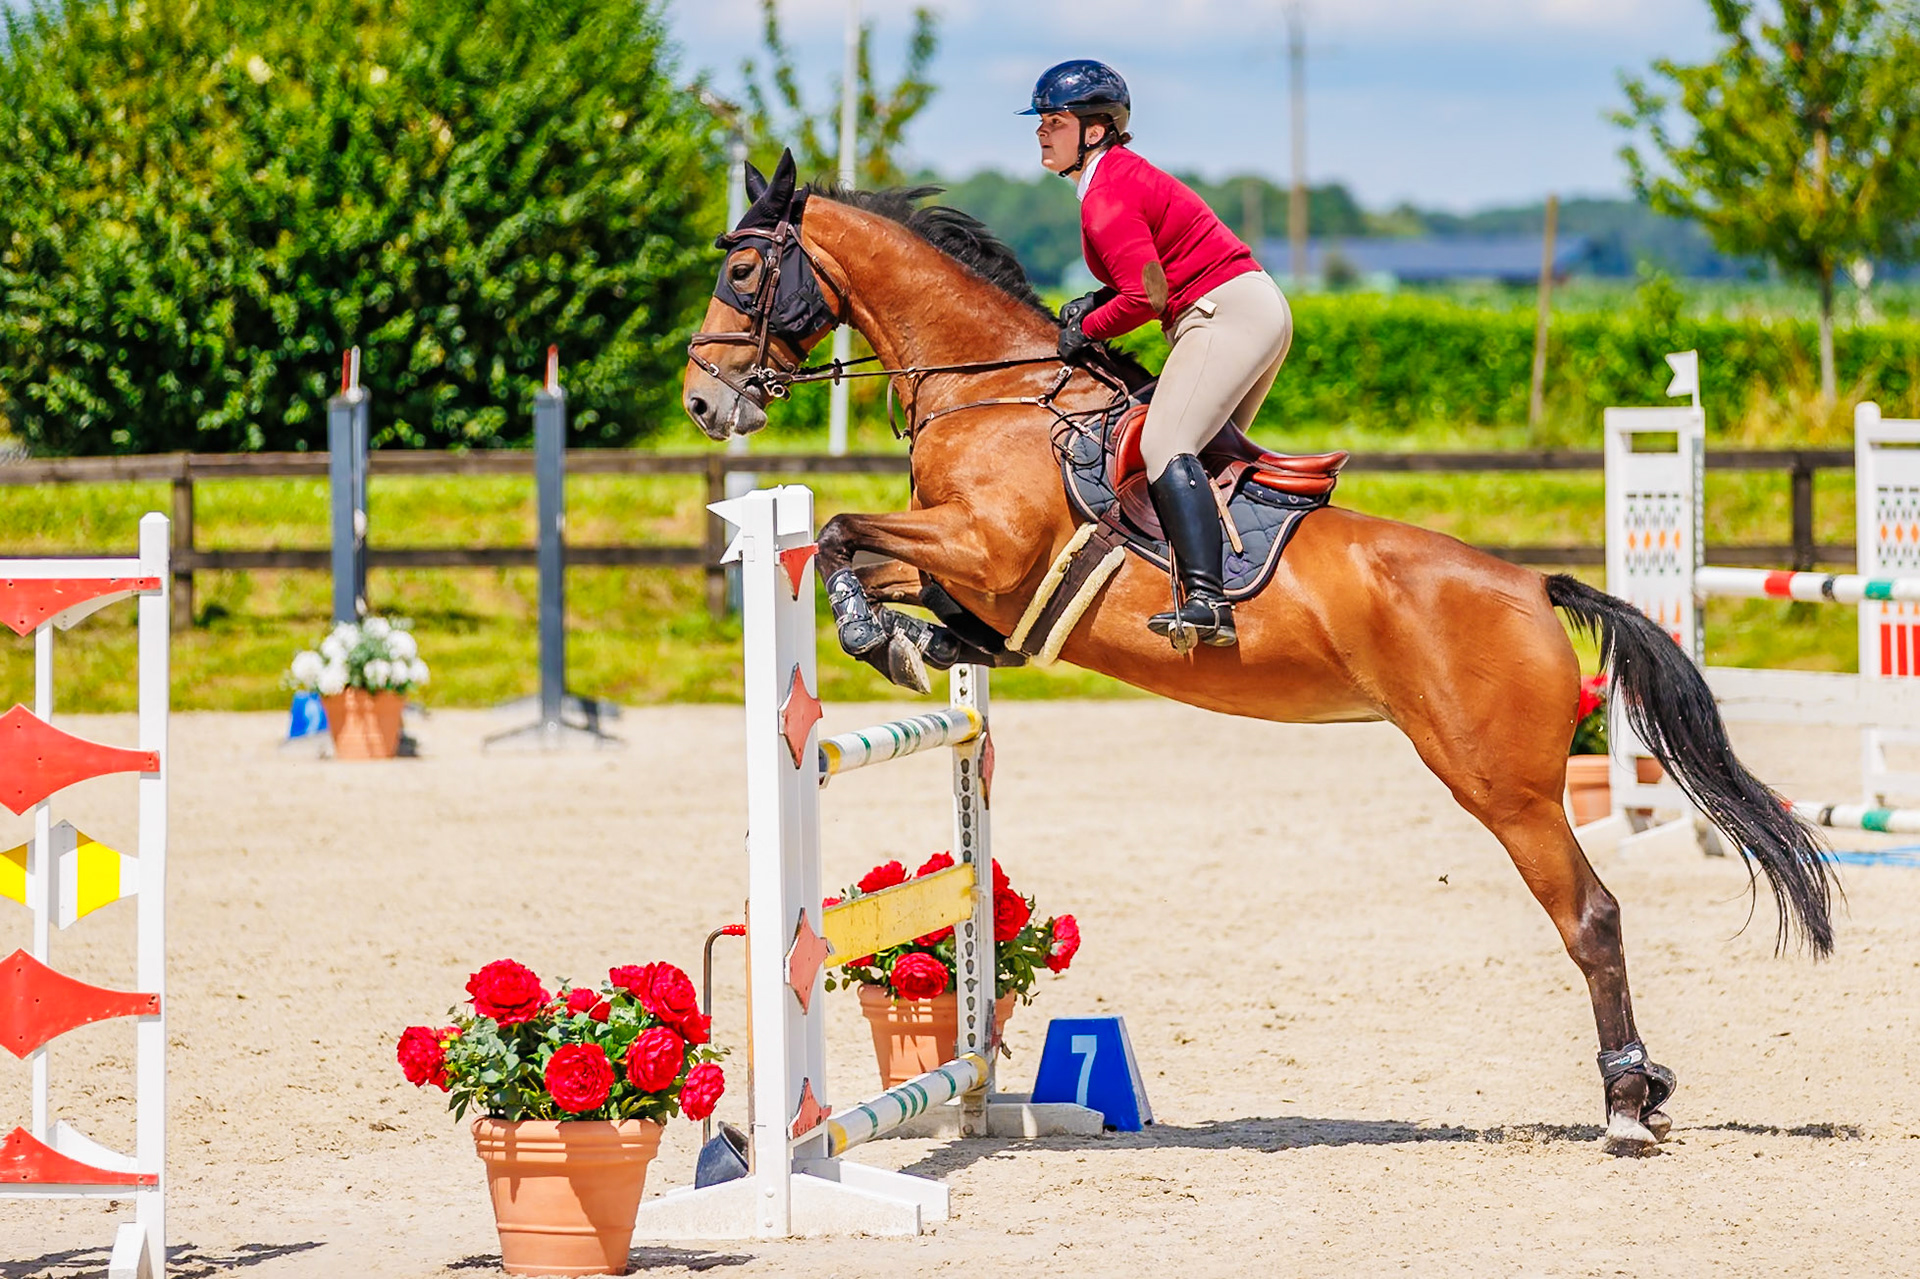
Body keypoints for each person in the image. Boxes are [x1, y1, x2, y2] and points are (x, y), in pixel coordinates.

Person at [1023, 59, 1294, 649]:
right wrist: (1091, 306)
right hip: (1243, 306)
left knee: (1165, 444)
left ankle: (1207, 602)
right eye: (1041, 120)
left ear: (1094, 130)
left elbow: (1146, 298)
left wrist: (1085, 329)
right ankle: (1251, 588)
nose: (1042, 131)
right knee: (1204, 458)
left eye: (1054, 120)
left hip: (1224, 312)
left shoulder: (1107, 190)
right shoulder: (1113, 178)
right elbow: (1146, 276)